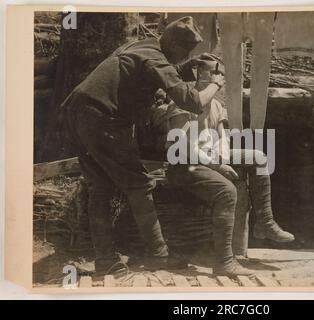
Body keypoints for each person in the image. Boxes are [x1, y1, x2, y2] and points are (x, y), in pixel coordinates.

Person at [61, 16, 226, 276]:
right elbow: (192, 102)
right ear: (173, 46)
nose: (180, 59)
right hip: (104, 118)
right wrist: (216, 84)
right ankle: (159, 255)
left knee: (100, 187)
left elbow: (153, 74)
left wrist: (185, 67)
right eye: (182, 53)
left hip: (79, 112)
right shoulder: (155, 57)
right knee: (139, 185)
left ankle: (106, 259)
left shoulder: (144, 46)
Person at [150, 57, 294, 276]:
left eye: (221, 75)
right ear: (199, 74)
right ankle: (224, 261)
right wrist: (219, 166)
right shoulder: (184, 100)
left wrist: (224, 159)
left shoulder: (217, 104)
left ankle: (265, 222)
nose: (218, 79)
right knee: (228, 191)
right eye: (212, 73)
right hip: (183, 164)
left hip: (209, 158)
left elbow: (222, 138)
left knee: (259, 157)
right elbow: (181, 147)